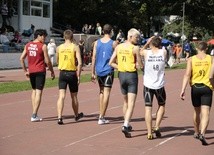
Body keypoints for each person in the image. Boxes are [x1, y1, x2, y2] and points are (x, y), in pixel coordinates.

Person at [109, 28, 143, 138]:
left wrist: (120, 67)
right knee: (131, 102)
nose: (138, 39)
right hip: (131, 76)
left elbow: (111, 63)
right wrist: (141, 66)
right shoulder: (135, 48)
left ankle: (126, 122)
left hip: (121, 75)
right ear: (130, 36)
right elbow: (140, 65)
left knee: (125, 101)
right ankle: (125, 124)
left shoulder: (119, 47)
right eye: (136, 37)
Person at [180, 41, 213, 146]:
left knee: (196, 111)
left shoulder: (191, 59)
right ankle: (202, 133)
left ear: (197, 48)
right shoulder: (211, 59)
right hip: (207, 87)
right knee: (206, 112)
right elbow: (212, 75)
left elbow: (187, 75)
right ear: (206, 48)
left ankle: (197, 131)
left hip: (195, 88)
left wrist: (183, 89)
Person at [20, 29, 55, 122]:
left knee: (34, 91)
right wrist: (52, 71)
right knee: (39, 92)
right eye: (44, 36)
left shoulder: (28, 45)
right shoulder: (43, 46)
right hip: (40, 71)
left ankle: (34, 112)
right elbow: (47, 61)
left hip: (31, 71)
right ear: (39, 36)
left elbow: (21, 58)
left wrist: (25, 71)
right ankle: (34, 114)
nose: (45, 38)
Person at [140, 36, 167, 140]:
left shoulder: (147, 52)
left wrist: (147, 43)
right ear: (159, 44)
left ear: (151, 43)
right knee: (162, 105)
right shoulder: (163, 52)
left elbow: (140, 51)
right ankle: (157, 126)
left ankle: (149, 132)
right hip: (159, 85)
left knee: (148, 108)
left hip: (148, 85)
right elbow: (162, 48)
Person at [91, 24, 118, 125]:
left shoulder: (96, 43)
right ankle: (101, 117)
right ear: (111, 31)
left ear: (103, 31)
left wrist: (92, 72)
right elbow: (117, 57)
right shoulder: (113, 43)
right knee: (106, 92)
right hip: (108, 70)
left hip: (99, 70)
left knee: (101, 92)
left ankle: (101, 115)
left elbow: (93, 58)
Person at [56, 29, 83, 125]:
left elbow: (57, 60)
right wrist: (78, 75)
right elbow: (79, 63)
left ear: (64, 37)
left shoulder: (59, 48)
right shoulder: (75, 47)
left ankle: (59, 117)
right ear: (72, 37)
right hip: (72, 74)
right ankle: (76, 115)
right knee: (74, 96)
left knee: (61, 96)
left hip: (62, 73)